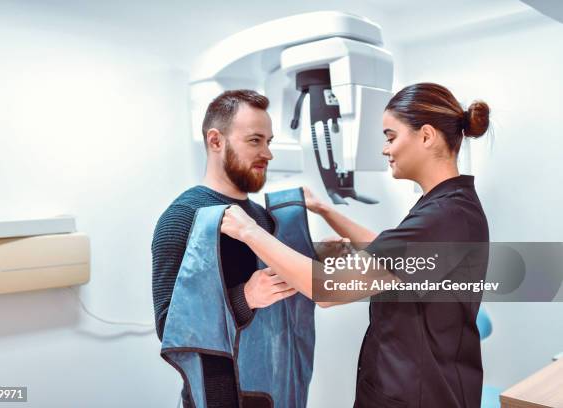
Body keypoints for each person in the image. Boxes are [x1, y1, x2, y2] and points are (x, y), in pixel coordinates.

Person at [221, 83, 491, 408]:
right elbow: (393, 251)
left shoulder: (443, 217)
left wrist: (249, 231)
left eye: (391, 136)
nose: (385, 149)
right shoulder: (449, 207)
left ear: (426, 136)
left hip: (417, 395)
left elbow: (329, 290)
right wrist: (325, 210)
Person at [151, 89, 298, 408]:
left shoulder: (260, 217)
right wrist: (247, 297)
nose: (268, 154)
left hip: (271, 390)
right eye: (255, 140)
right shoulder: (182, 217)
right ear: (216, 141)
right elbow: (168, 325)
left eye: (269, 142)